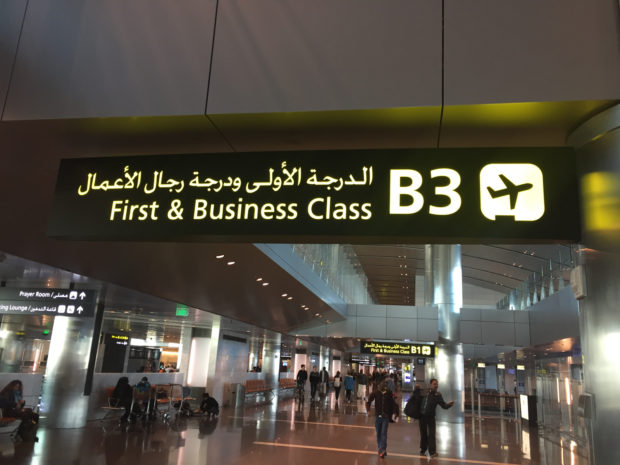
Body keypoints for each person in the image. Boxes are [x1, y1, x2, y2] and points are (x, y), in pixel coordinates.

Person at [419, 378, 455, 458]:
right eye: (434, 384)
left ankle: (432, 452)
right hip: (422, 416)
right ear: (430, 384)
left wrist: (449, 405)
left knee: (432, 434)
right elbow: (418, 402)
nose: (436, 385)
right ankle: (423, 450)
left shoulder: (438, 395)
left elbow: (443, 405)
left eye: (437, 384)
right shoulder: (424, 392)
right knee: (423, 434)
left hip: (431, 417)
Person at [366, 380, 399, 458]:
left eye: (384, 386)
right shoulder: (375, 393)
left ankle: (382, 449)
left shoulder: (389, 393)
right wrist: (368, 410)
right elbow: (368, 401)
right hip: (378, 417)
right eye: (381, 386)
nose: (382, 387)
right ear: (379, 386)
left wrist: (395, 412)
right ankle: (380, 448)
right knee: (379, 434)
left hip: (386, 417)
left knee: (383, 433)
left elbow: (393, 403)